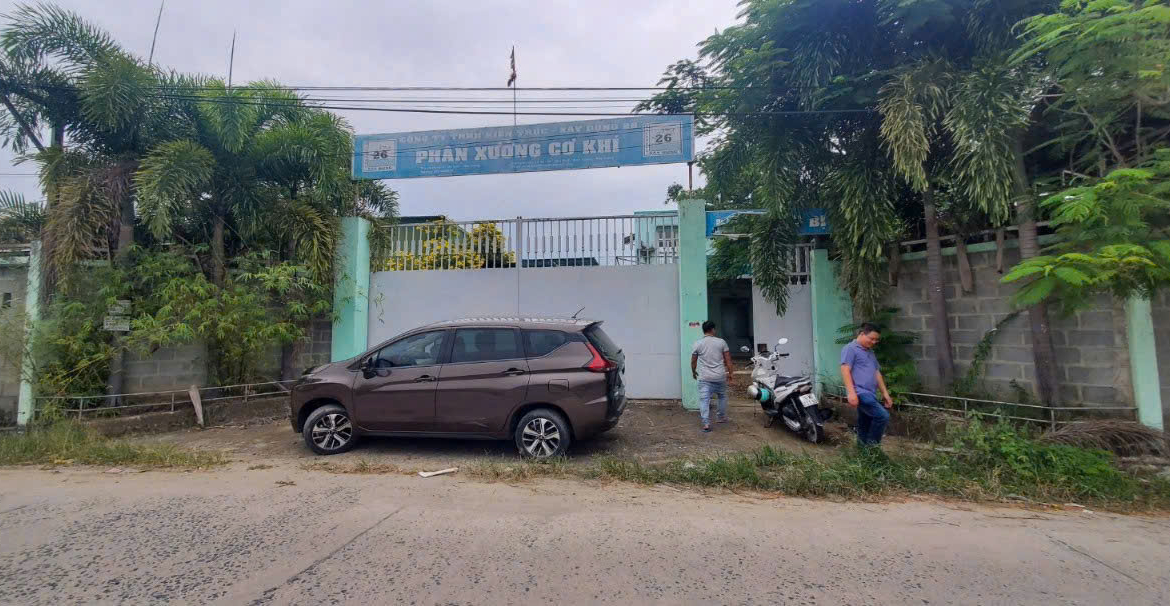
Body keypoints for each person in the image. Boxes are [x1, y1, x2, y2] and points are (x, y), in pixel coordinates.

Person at [840, 323, 894, 446]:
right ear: (862, 334)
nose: (874, 342)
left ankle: (863, 453)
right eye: (872, 338)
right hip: (860, 392)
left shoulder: (870, 352)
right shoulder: (850, 348)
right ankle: (872, 448)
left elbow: (877, 373)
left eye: (876, 340)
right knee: (882, 416)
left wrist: (885, 394)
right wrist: (851, 393)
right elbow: (845, 370)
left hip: (871, 393)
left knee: (865, 423)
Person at [691, 320, 734, 433]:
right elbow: (728, 360)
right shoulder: (721, 342)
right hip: (720, 376)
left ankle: (706, 423)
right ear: (713, 329)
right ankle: (721, 417)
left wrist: (693, 372)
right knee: (722, 396)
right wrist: (730, 373)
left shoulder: (698, 343)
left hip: (705, 377)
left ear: (704, 330)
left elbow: (693, 361)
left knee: (704, 400)